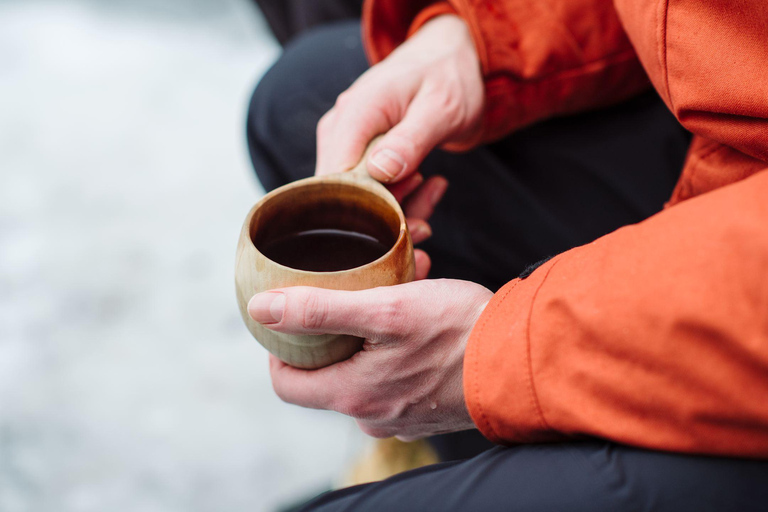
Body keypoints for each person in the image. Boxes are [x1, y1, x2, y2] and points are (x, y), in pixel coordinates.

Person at [245, 0, 768, 510]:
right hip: (732, 154)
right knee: (300, 99)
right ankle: (472, 454)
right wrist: (484, 41)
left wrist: (497, 352)